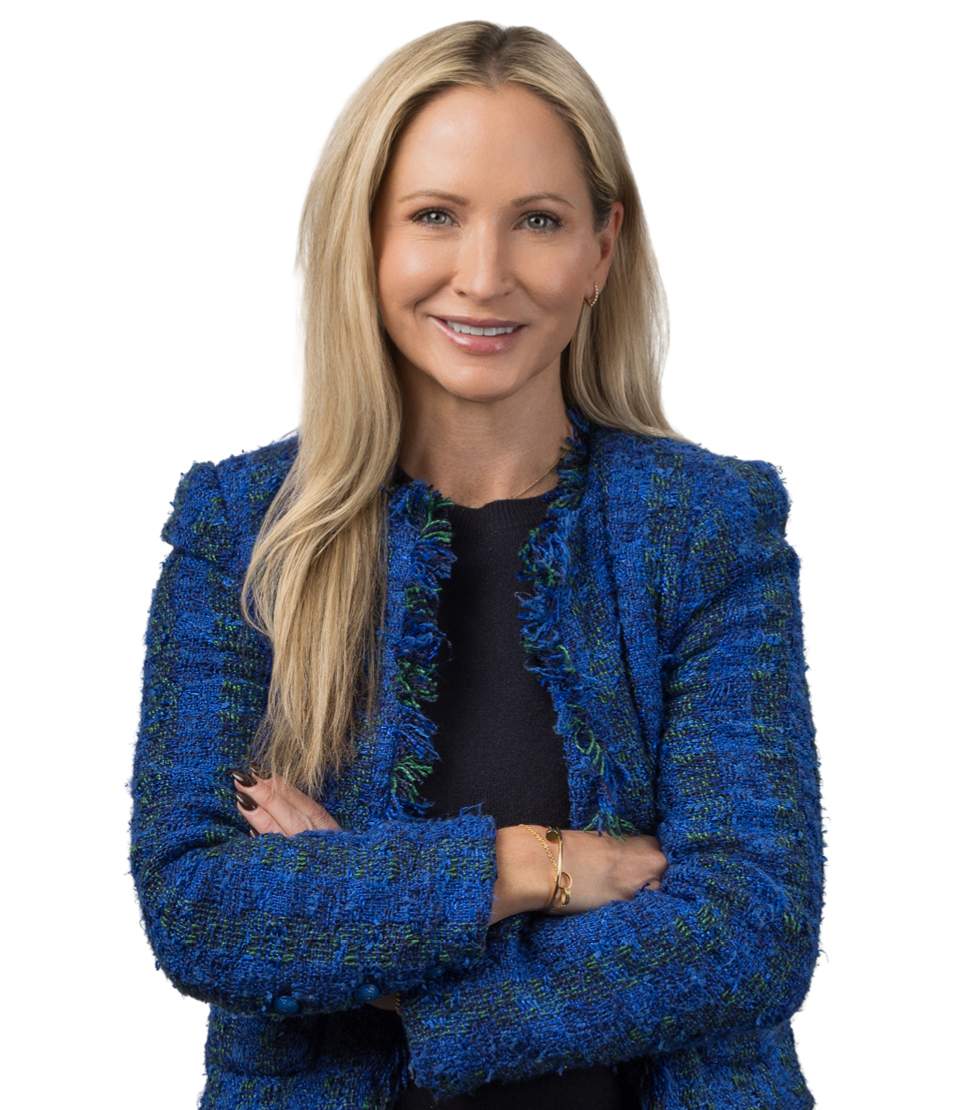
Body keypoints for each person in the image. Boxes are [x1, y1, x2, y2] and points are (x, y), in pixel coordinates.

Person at [128, 19, 824, 1109]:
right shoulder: (240, 531)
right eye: (435, 216)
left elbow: (750, 929)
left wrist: (398, 973)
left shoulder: (706, 528)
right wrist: (530, 867)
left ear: (602, 249)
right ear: (367, 241)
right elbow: (203, 908)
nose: (484, 275)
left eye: (538, 220)